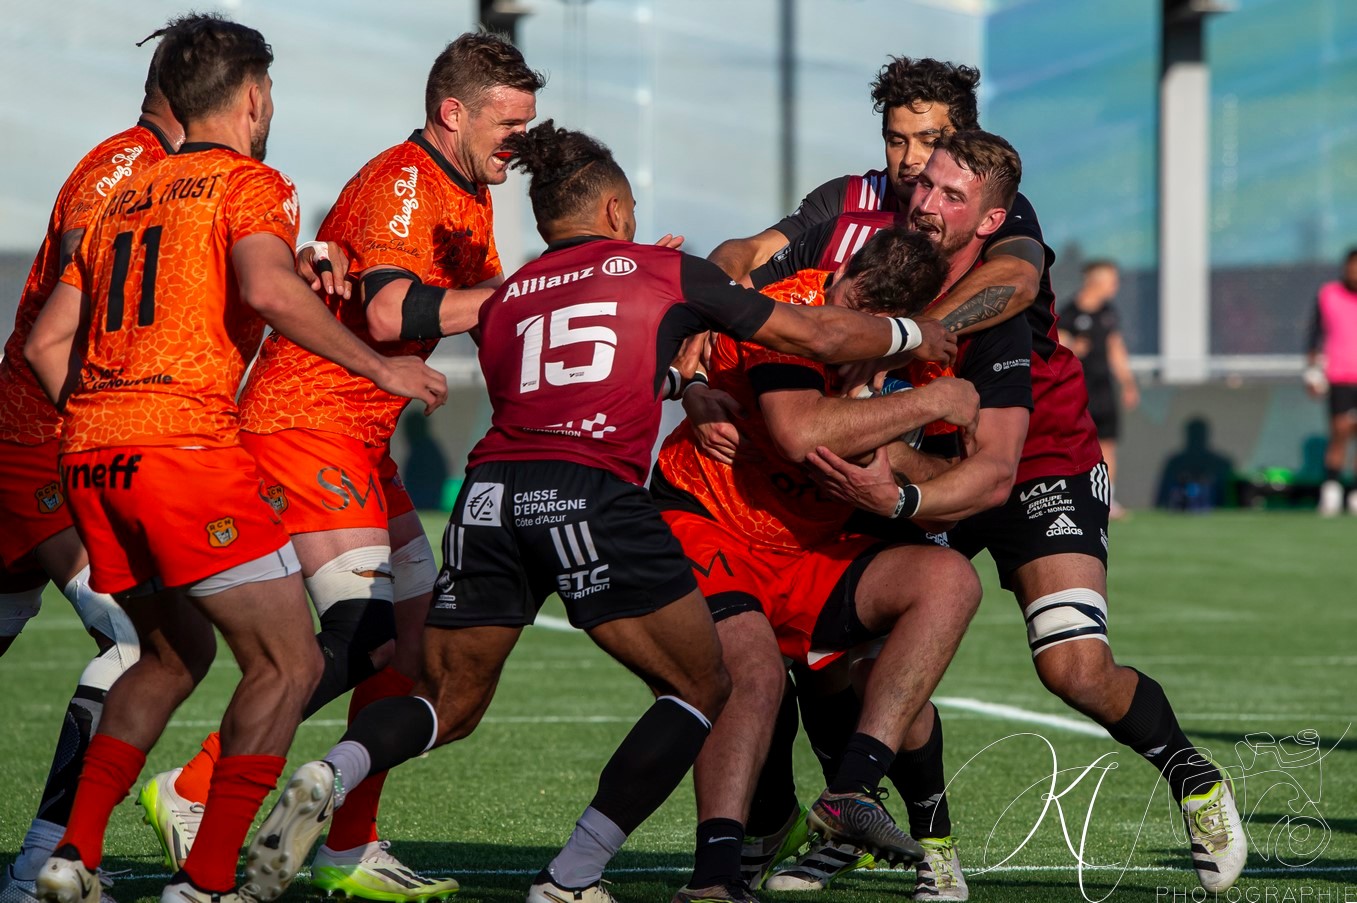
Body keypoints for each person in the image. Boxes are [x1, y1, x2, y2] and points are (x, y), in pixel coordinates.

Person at [241, 120, 953, 903]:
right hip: (587, 492)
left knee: (446, 702)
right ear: (615, 211)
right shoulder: (660, 269)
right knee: (699, 683)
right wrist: (917, 333)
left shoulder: (505, 295)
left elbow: (577, 369)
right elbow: (813, 330)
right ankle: (570, 877)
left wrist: (684, 383)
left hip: (487, 496)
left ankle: (329, 768)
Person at [24, 15, 446, 903]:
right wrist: (380, 364)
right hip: (182, 448)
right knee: (290, 663)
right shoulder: (251, 181)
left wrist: (108, 415)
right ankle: (209, 882)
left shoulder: (118, 196)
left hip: (93, 454)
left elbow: (46, 341)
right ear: (254, 97)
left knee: (169, 657)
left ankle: (73, 855)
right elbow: (261, 287)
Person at [135, 33, 543, 902]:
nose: (518, 140)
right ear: (452, 112)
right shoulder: (404, 181)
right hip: (304, 423)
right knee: (361, 634)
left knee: (414, 635)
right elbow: (394, 311)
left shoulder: (470, 196)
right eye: (507, 123)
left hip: (359, 437)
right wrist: (542, 292)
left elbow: (485, 314)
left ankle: (347, 844)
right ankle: (195, 789)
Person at [800, 132, 1247, 898]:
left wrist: (897, 480)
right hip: (928, 460)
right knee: (850, 661)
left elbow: (989, 470)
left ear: (993, 217)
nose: (923, 198)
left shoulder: (1003, 288)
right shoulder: (877, 250)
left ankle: (1193, 777)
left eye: (949, 194)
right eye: (918, 176)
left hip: (1037, 463)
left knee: (1071, 667)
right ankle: (927, 843)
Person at [654, 202, 1024, 902]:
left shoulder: (922, 356)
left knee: (948, 582)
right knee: (755, 677)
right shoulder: (793, 307)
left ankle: (850, 789)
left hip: (811, 546)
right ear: (843, 278)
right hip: (713, 521)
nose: (844, 321)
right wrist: (927, 405)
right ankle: (712, 876)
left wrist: (896, 482)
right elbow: (801, 432)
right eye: (846, 303)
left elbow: (960, 478)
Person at [0, 32, 183, 903]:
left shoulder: (157, 171)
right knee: (140, 639)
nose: (260, 112)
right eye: (252, 90)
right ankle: (43, 866)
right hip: (43, 443)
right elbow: (58, 335)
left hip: (38, 440)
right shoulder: (125, 170)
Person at [1058, 260, 1138, 518]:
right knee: (1076, 444)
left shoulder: (1108, 312)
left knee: (1108, 445)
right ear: (1096, 281)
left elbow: (1116, 348)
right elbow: (1057, 347)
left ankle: (1108, 499)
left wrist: (1127, 382)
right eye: (1112, 280)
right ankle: (1075, 496)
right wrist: (1072, 347)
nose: (1116, 286)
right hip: (1078, 389)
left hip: (1104, 389)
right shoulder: (1069, 312)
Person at [1304, 247, 1357, 516]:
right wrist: (1312, 372)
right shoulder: (1329, 295)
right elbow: (1314, 335)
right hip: (1339, 377)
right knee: (1340, 432)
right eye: (1352, 266)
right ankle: (1332, 491)